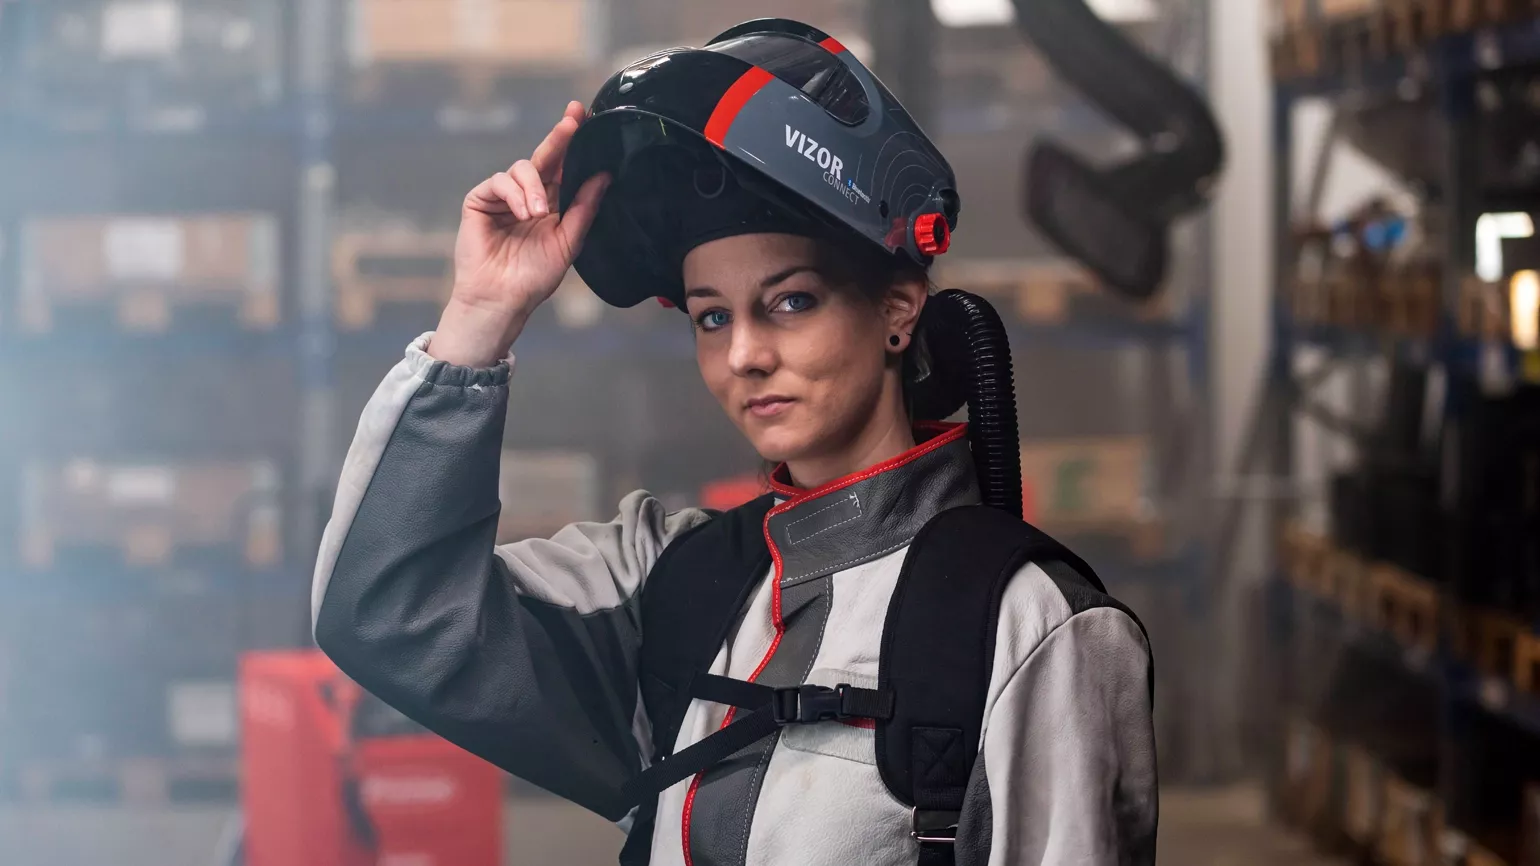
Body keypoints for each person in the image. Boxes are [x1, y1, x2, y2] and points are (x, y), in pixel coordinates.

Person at [313, 21, 1155, 866]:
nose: (745, 354)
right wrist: (481, 316)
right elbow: (390, 613)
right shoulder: (670, 583)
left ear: (898, 308)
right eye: (712, 316)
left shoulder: (1030, 625)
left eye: (791, 302)